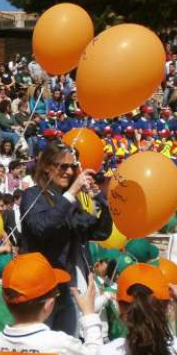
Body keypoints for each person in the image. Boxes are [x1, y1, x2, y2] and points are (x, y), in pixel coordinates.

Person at [20, 142, 112, 335]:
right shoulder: (33, 195)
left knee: (68, 346)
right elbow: (42, 226)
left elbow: (98, 231)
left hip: (68, 289)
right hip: (39, 290)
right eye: (63, 166)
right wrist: (71, 194)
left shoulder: (78, 198)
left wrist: (100, 198)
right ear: (46, 166)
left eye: (72, 166)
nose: (69, 172)